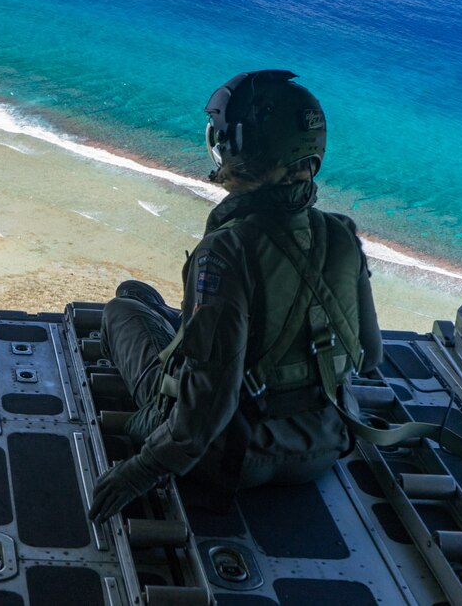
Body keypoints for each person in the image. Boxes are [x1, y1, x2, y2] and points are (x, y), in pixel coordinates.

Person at [89, 69, 383, 523]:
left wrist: (140, 471)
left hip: (236, 455)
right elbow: (369, 355)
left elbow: (211, 401)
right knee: (149, 300)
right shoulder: (341, 235)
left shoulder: (225, 251)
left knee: (123, 306)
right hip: (325, 443)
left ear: (235, 147)